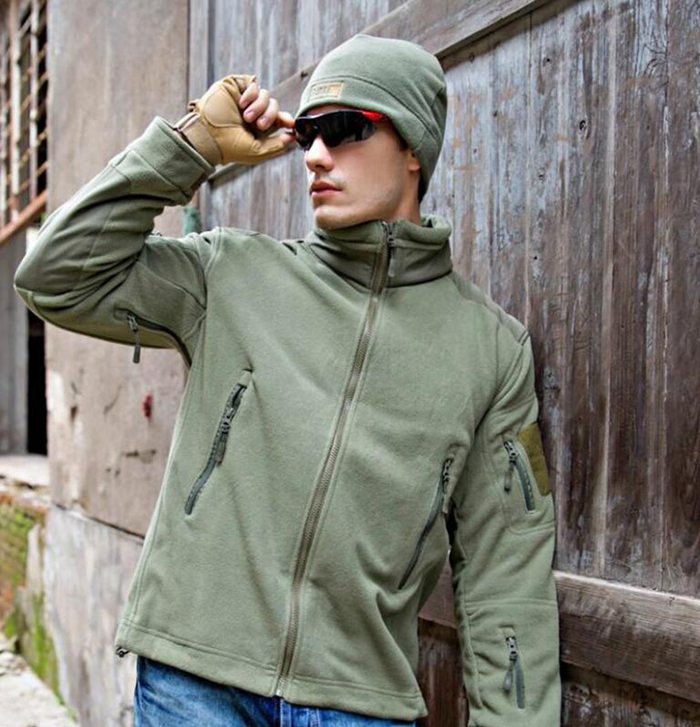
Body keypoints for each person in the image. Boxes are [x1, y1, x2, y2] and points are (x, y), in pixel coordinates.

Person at [14, 33, 561, 727]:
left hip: (357, 700)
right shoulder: (231, 274)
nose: (316, 155)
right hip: (195, 682)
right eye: (307, 133)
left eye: (345, 129)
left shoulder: (489, 349)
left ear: (415, 148)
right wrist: (194, 146)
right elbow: (55, 276)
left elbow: (505, 573)